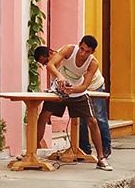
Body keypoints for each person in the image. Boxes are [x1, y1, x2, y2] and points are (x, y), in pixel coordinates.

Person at [33, 36, 112, 171]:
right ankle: (32, 152)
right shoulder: (68, 49)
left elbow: (84, 86)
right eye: (82, 49)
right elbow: (51, 65)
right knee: (44, 116)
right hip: (58, 90)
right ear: (79, 45)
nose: (83, 53)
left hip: (77, 90)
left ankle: (101, 158)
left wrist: (73, 89)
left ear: (92, 52)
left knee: (92, 121)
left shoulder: (93, 63)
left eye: (87, 51)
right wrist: (60, 77)